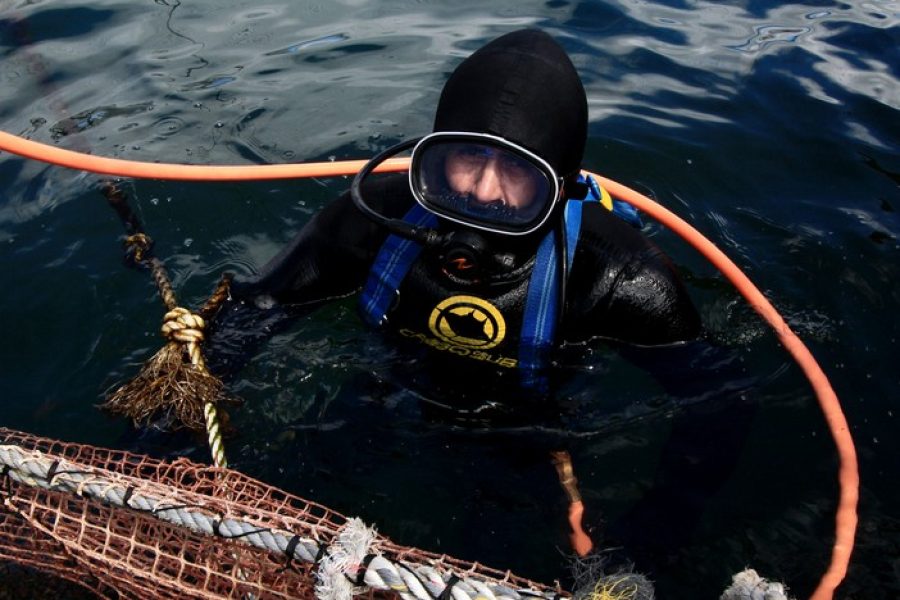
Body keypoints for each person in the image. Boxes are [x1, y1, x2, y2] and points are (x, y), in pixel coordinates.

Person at [212, 28, 701, 404]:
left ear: (559, 184)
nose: (484, 192)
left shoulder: (618, 275)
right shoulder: (374, 217)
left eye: (515, 167)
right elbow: (256, 311)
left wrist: (659, 519)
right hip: (387, 387)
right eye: (468, 157)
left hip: (533, 428)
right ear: (435, 155)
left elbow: (714, 396)